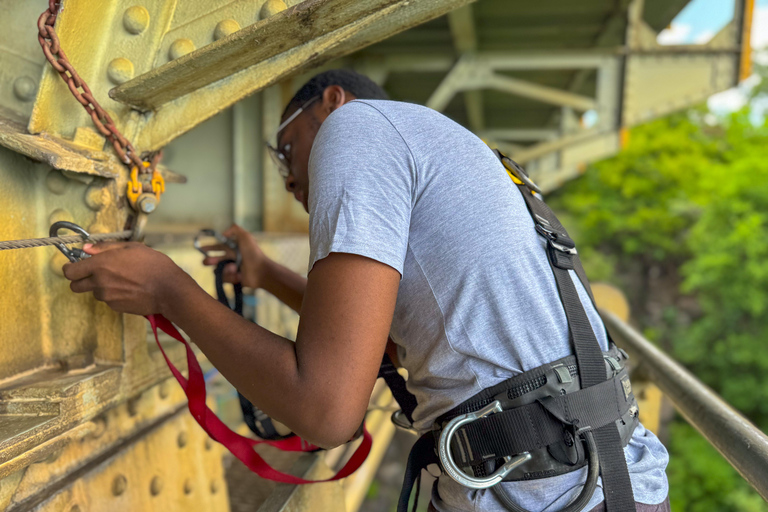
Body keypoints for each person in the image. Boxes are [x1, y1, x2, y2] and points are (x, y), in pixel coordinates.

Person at [62, 69, 670, 512]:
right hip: (597, 481)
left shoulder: (354, 128)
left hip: (545, 495)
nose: (292, 180)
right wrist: (269, 274)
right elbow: (383, 339)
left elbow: (326, 410)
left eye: (288, 151)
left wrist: (168, 287)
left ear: (331, 102)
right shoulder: (449, 152)